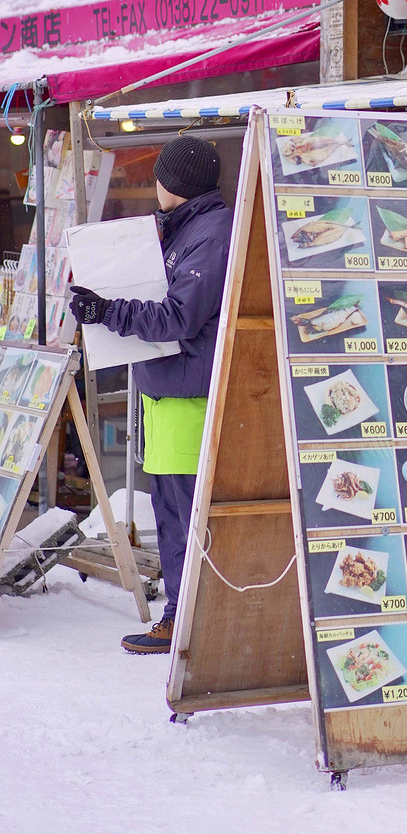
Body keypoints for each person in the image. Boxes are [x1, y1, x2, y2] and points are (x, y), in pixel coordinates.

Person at [68, 135, 231, 654]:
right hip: (168, 394)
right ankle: (182, 620)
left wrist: (107, 310)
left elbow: (180, 317)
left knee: (188, 520)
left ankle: (188, 628)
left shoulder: (213, 233)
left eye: (160, 177)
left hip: (191, 399)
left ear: (175, 185)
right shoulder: (186, 228)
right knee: (170, 517)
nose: (155, 186)